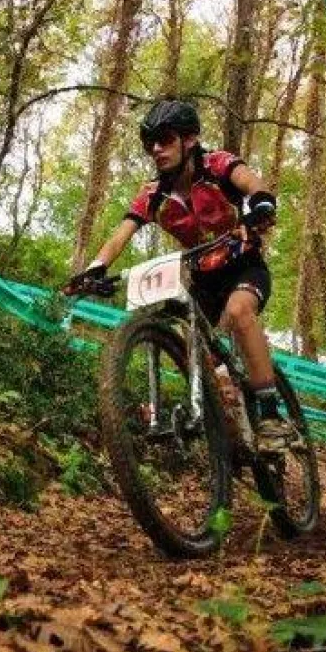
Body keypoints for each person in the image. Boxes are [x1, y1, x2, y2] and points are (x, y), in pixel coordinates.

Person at [66, 99, 296, 453]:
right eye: (150, 144)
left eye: (165, 139)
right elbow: (121, 234)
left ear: (189, 140)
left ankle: (271, 415)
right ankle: (230, 433)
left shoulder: (217, 165)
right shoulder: (153, 194)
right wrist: (96, 268)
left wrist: (262, 204)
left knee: (238, 311)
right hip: (203, 280)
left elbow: (253, 183)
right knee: (199, 354)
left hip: (243, 266)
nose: (156, 150)